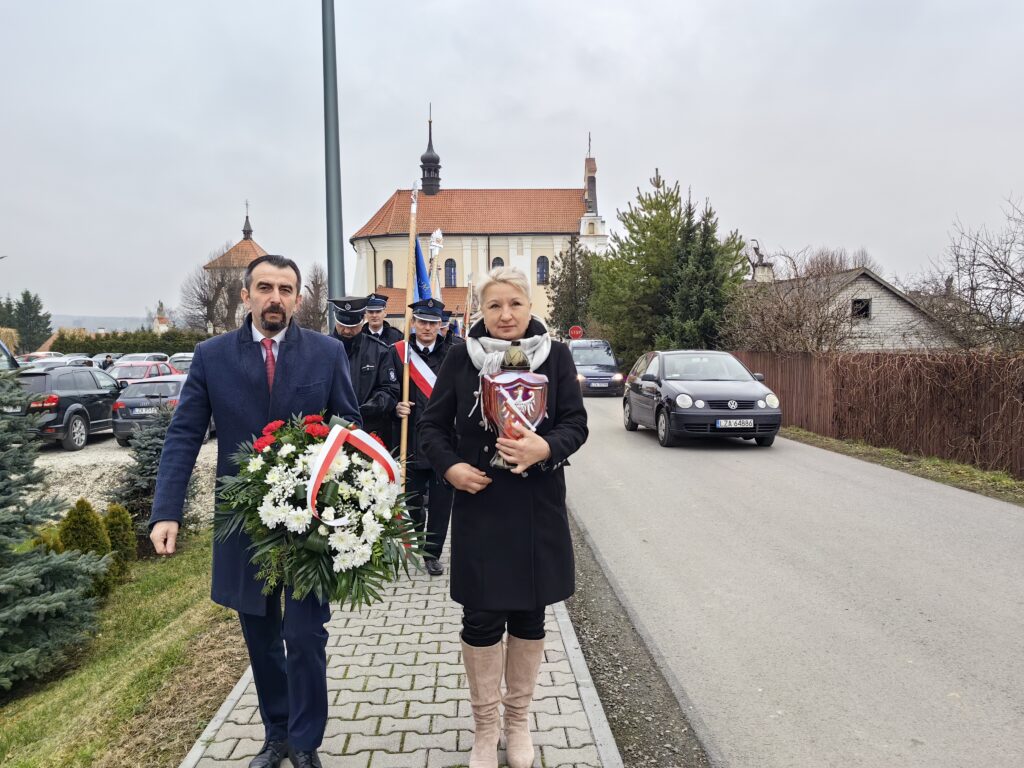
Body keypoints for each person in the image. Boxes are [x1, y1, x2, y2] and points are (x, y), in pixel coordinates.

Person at [149, 255, 360, 768]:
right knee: (262, 637)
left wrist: (352, 501)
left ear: (298, 299)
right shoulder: (212, 356)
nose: (275, 298)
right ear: (245, 295)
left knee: (305, 636)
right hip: (244, 524)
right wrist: (166, 511)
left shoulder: (326, 353)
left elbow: (349, 430)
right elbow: (184, 434)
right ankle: (277, 734)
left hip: (309, 524)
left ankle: (305, 742)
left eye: (285, 289)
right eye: (265, 287)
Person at [419, 267, 587, 768]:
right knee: (481, 618)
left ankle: (517, 723)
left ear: (530, 306)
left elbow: (576, 424)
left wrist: (545, 448)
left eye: (515, 303)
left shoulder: (555, 356)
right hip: (481, 505)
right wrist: (450, 468)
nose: (506, 314)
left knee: (530, 615)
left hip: (537, 505)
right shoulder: (460, 358)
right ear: (481, 310)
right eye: (495, 305)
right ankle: (484, 728)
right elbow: (431, 427)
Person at [390, 297, 452, 578]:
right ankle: (417, 536)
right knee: (413, 503)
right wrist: (395, 406)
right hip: (411, 440)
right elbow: (387, 388)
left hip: (444, 442)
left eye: (433, 323)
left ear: (440, 325)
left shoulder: (453, 353)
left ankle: (432, 554)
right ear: (413, 323)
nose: (427, 328)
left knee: (441, 503)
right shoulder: (398, 354)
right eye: (422, 322)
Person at [328, 296, 399, 449]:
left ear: (362, 321)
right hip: (329, 430)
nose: (347, 330)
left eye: (353, 326)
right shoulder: (321, 348)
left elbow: (389, 391)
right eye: (342, 325)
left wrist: (362, 410)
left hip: (369, 431)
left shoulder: (379, 351)